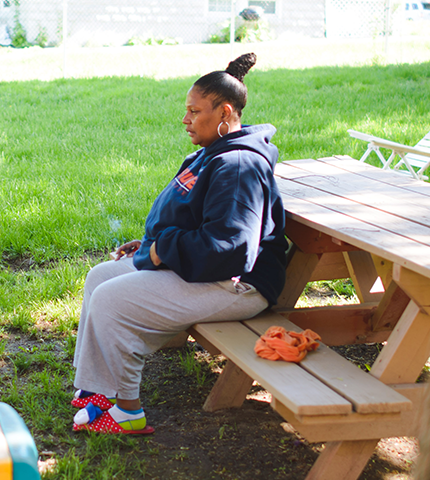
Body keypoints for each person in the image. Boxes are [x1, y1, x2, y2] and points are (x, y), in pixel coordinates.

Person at [70, 53, 287, 435]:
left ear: (224, 112)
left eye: (194, 111)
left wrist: (163, 249)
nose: (185, 119)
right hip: (204, 267)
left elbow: (231, 248)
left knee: (111, 299)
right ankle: (100, 389)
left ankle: (127, 411)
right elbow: (193, 219)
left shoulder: (239, 165)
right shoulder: (211, 154)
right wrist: (151, 242)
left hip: (237, 284)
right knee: (100, 276)